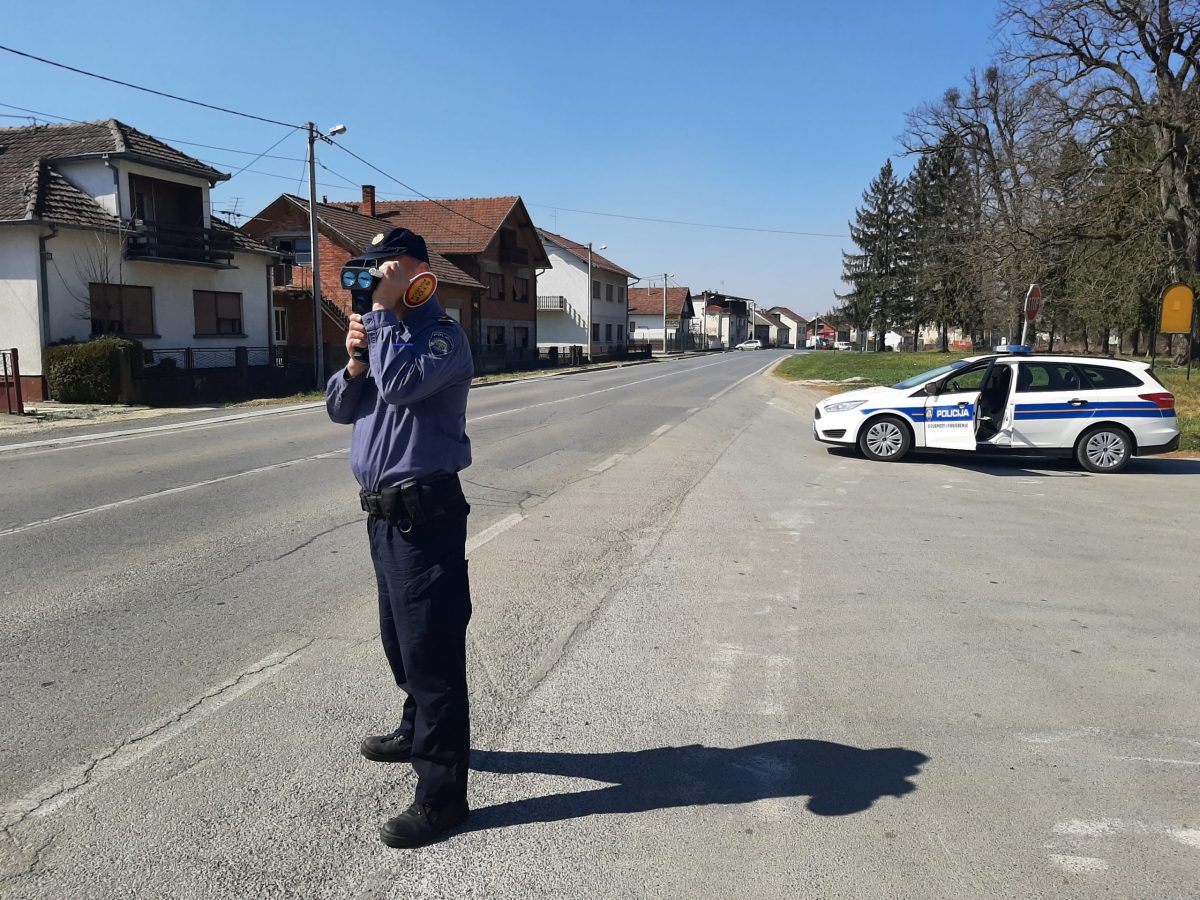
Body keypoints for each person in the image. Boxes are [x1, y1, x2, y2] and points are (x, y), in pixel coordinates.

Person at [325, 227, 475, 848]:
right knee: (398, 641)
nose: (375, 276)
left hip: (427, 514)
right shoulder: (379, 338)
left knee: (433, 656)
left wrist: (382, 323)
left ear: (418, 270)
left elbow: (399, 387)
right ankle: (416, 729)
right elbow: (342, 406)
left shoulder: (444, 338)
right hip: (382, 516)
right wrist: (355, 355)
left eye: (386, 265)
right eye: (368, 266)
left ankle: (443, 798)